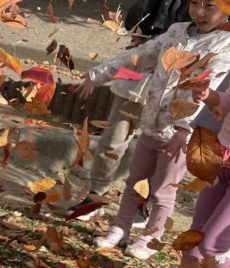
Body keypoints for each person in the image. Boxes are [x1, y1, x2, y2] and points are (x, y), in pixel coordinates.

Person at [76, 0, 230, 260]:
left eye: (209, 6)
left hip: (181, 134)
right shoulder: (176, 31)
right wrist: (98, 74)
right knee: (134, 181)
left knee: (163, 189)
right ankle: (120, 226)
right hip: (153, 123)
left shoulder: (229, 45)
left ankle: (150, 237)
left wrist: (186, 128)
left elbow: (214, 92)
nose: (199, 12)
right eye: (195, 3)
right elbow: (139, 56)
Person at [69, 0, 191, 221]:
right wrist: (99, 73)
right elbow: (140, 37)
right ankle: (95, 197)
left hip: (174, 92)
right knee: (112, 140)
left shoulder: (211, 19)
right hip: (138, 79)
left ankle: (145, 207)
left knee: (161, 153)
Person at [143, 70, 230, 268]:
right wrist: (210, 97)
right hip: (222, 158)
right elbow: (229, 101)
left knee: (216, 242)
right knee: (197, 232)